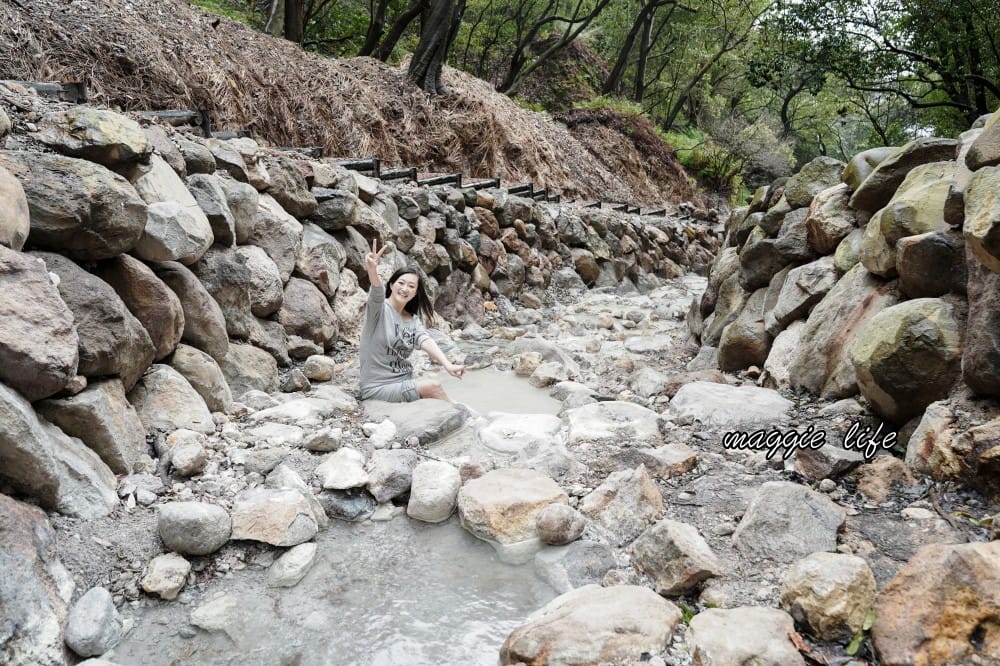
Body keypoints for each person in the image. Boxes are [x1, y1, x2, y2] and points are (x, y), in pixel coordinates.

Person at [359, 239, 466, 402]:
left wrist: (447, 364)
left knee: (434, 390)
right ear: (392, 285)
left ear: (415, 293)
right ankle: (461, 413)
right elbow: (377, 292)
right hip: (377, 387)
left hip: (406, 380)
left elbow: (426, 340)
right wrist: (373, 270)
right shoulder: (379, 309)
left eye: (411, 286)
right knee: (433, 386)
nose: (404, 289)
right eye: (401, 283)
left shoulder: (412, 320)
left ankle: (460, 413)